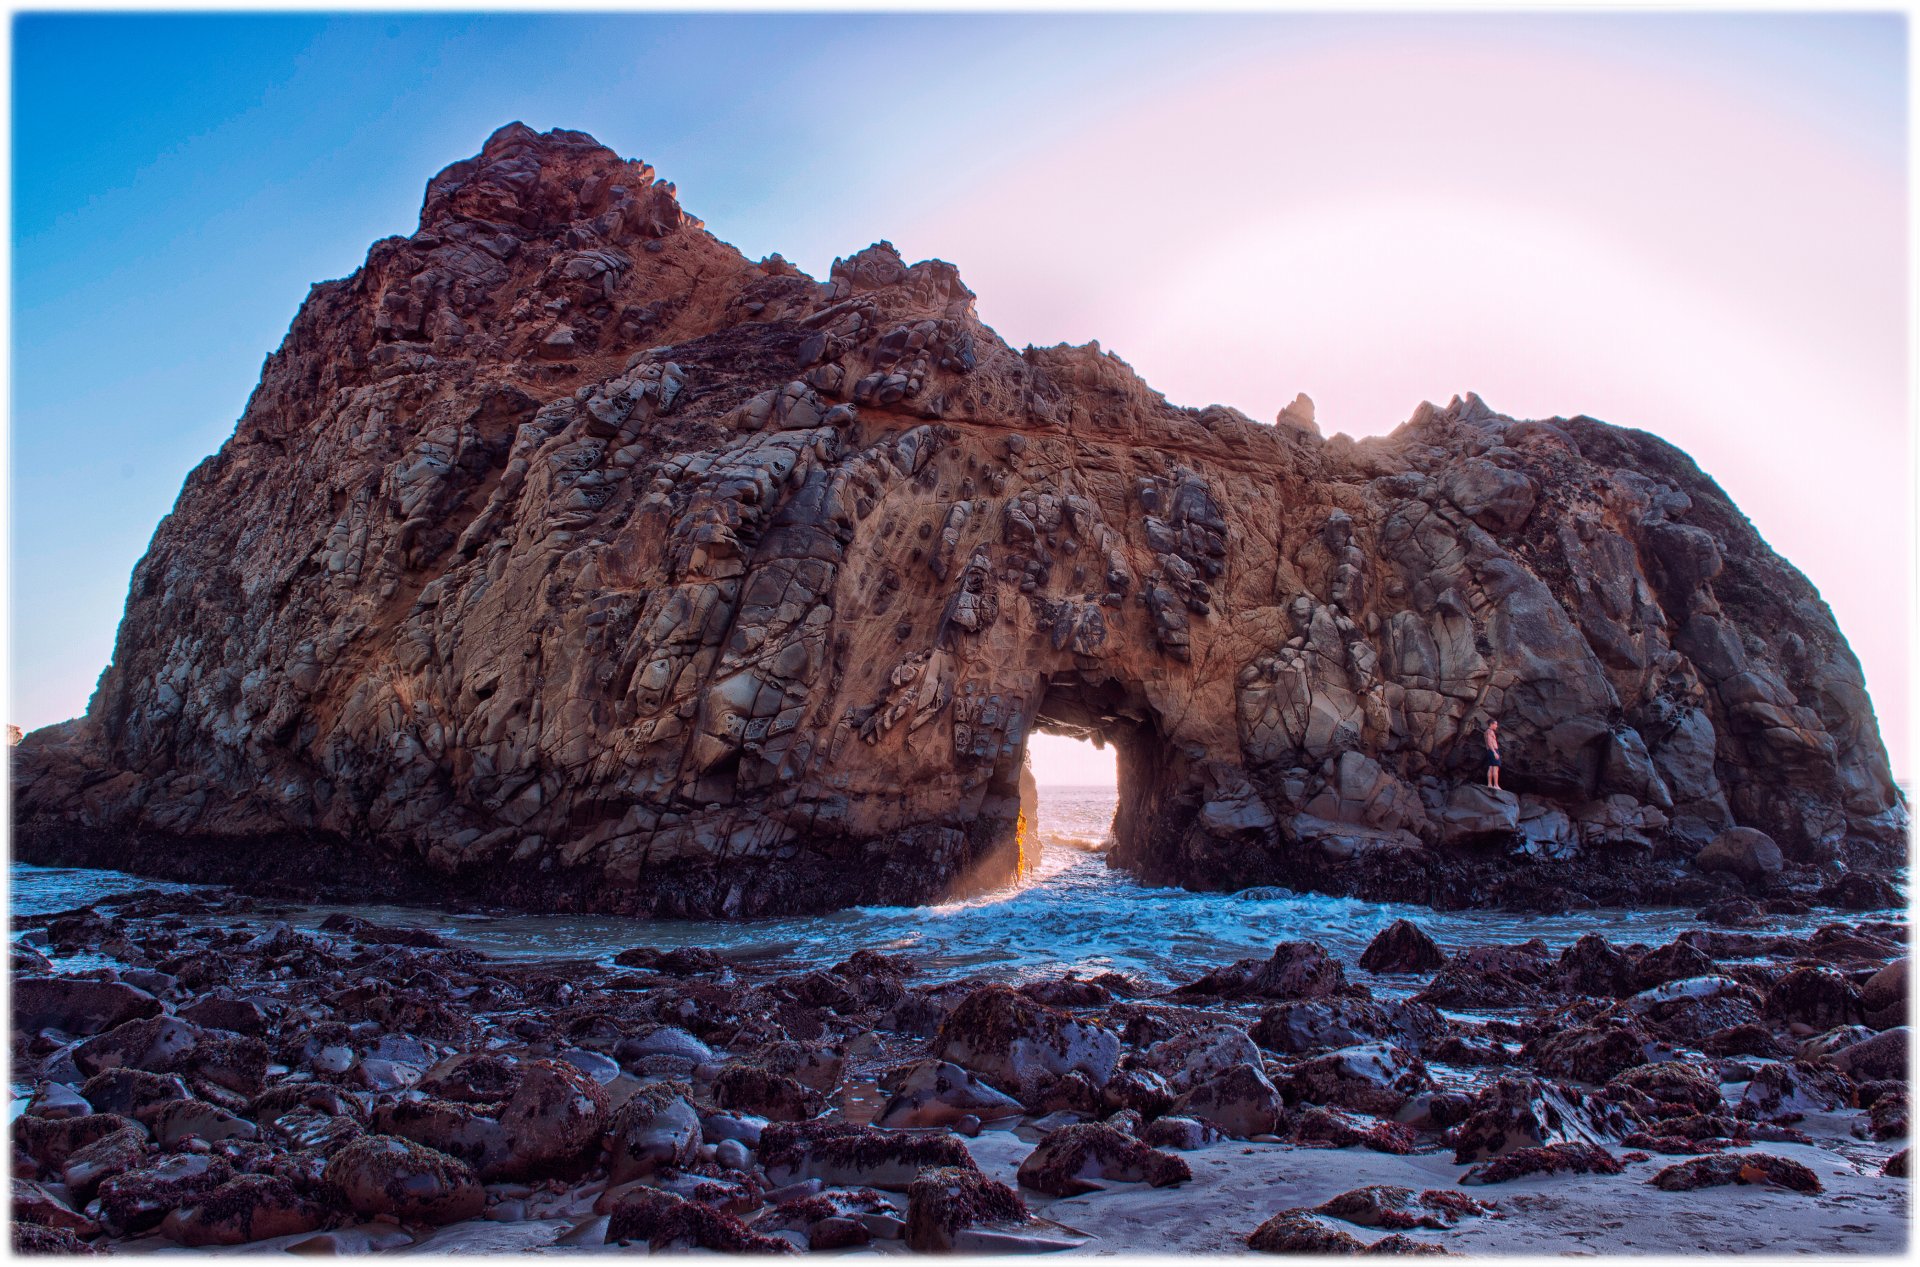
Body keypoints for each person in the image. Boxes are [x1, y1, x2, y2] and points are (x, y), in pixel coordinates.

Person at [1484, 719, 1502, 790]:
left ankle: (1489, 784)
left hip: (1489, 751)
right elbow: (1489, 742)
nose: (1496, 726)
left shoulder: (1486, 732)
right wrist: (1494, 752)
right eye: (1496, 724)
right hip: (1493, 750)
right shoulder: (1490, 731)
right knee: (1495, 768)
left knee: (1491, 767)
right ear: (1491, 724)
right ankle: (1496, 785)